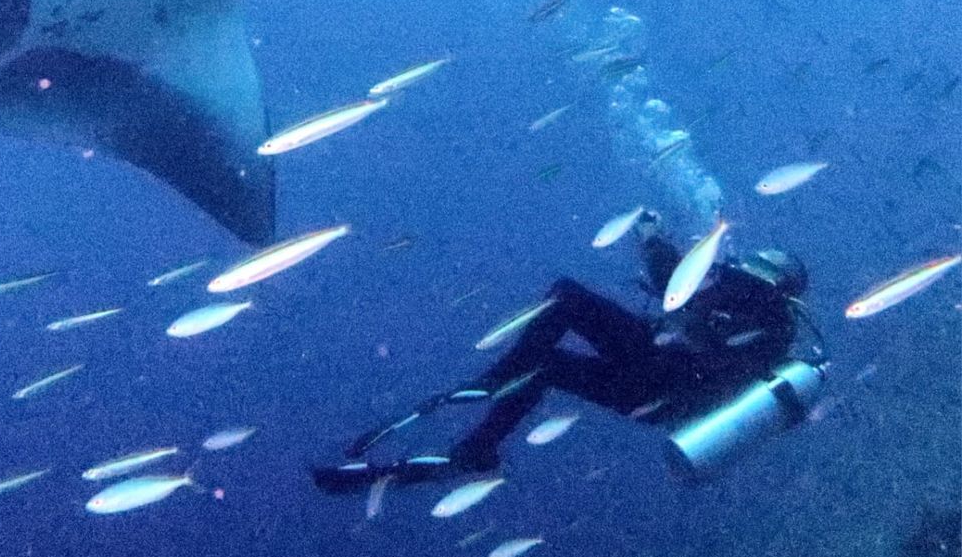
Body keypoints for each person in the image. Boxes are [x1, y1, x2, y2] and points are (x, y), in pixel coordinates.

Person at [312, 211, 824, 493]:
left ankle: (488, 399)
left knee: (561, 321)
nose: (746, 263)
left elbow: (685, 300)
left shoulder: (769, 313)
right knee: (554, 344)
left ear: (780, 277)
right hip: (657, 380)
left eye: (762, 261)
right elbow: (678, 290)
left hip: (663, 382)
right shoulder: (756, 310)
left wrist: (661, 251)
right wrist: (657, 246)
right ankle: (478, 446)